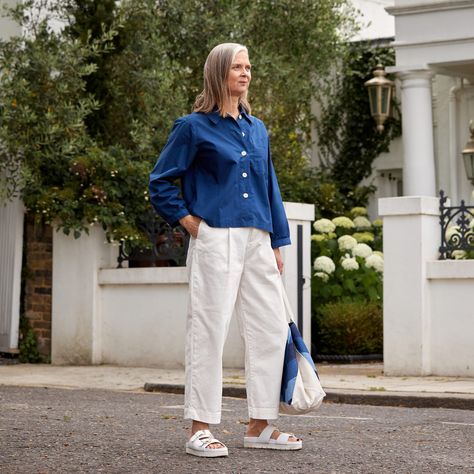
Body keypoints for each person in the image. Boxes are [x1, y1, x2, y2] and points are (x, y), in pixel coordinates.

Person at [149, 42, 302, 458]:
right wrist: (189, 222)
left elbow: (270, 187)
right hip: (216, 237)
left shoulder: (257, 128)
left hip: (257, 239)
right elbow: (160, 181)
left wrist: (277, 241)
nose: (246, 73)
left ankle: (260, 424)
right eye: (237, 66)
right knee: (208, 331)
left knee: (270, 329)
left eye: (249, 66)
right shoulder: (192, 127)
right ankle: (200, 427)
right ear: (218, 73)